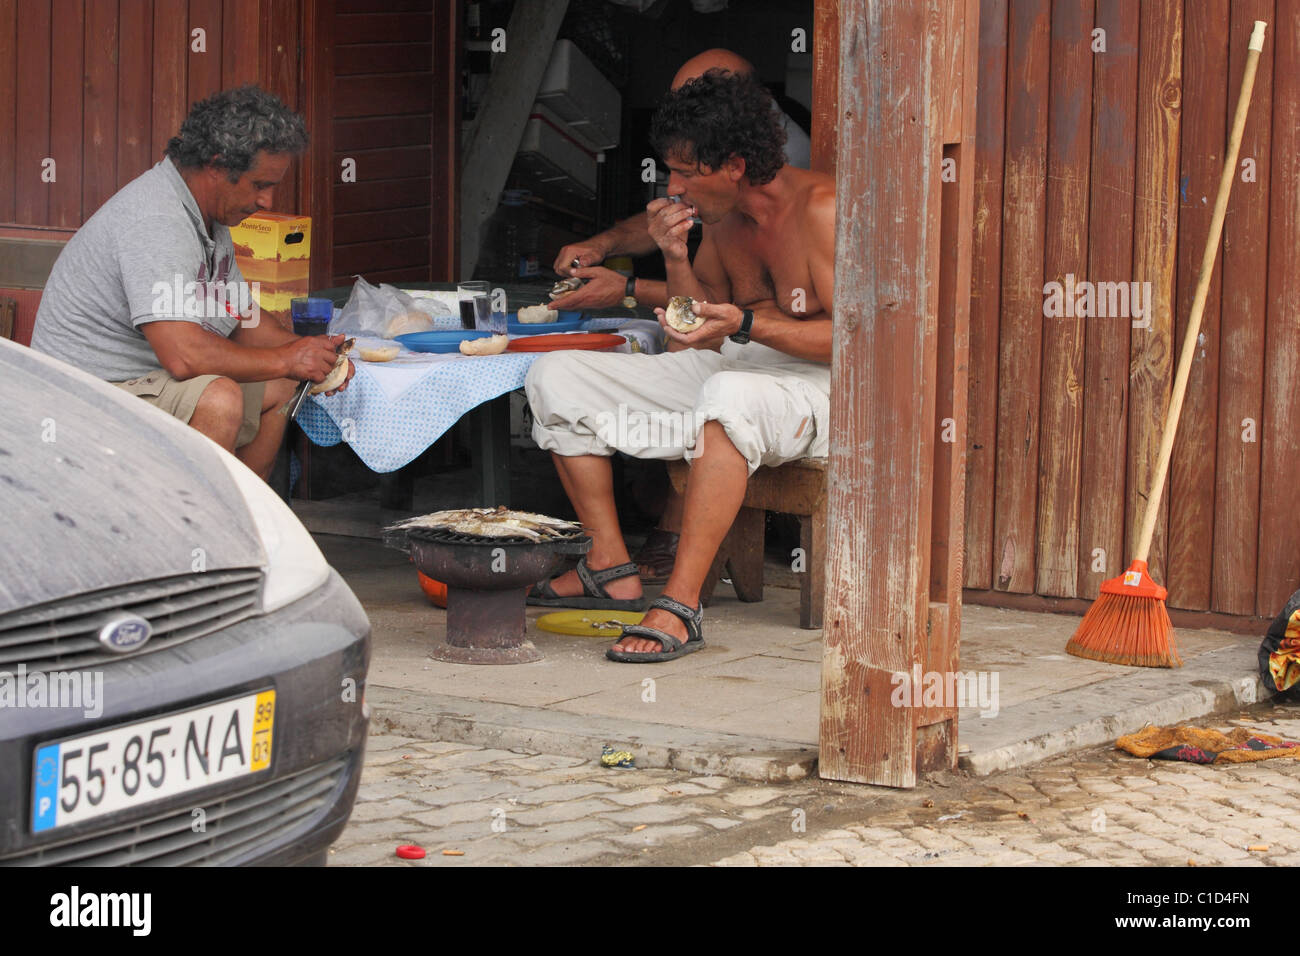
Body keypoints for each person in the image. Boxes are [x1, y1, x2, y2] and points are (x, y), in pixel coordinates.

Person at [524, 70, 835, 663]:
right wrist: (672, 254)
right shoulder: (719, 221)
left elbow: (857, 339)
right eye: (671, 170)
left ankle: (682, 605)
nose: (673, 186)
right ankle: (608, 563)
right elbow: (697, 327)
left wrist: (742, 325)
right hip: (739, 363)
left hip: (823, 382)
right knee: (556, 375)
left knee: (728, 396)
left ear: (735, 165)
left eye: (687, 172)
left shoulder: (820, 209)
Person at [31, 85, 352, 481]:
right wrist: (288, 357)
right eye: (259, 185)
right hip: (85, 397)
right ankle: (196, 538)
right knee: (219, 398)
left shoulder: (207, 219)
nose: (268, 201)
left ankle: (246, 527)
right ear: (217, 165)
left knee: (281, 383)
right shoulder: (158, 221)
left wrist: (313, 356)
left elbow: (242, 319)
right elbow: (183, 355)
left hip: (140, 382)